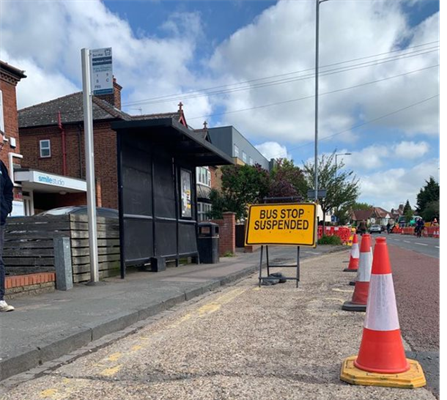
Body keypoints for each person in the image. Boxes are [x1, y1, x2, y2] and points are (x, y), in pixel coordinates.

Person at [0, 131, 15, 312]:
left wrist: (6, 208)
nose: (1, 147)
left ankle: (0, 299)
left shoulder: (1, 166)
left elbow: (8, 190)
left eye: (2, 144)